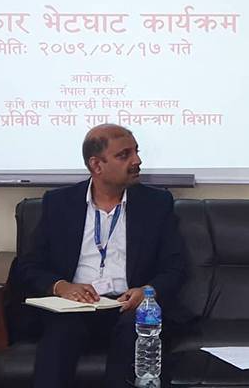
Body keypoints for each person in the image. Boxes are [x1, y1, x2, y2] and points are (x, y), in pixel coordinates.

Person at [13, 124, 190, 388]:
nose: (137, 161)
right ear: (96, 165)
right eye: (124, 155)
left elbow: (176, 265)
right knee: (61, 332)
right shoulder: (59, 204)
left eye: (136, 152)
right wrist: (61, 287)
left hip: (128, 306)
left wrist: (148, 291)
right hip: (75, 307)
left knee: (134, 328)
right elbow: (29, 266)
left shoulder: (156, 203)